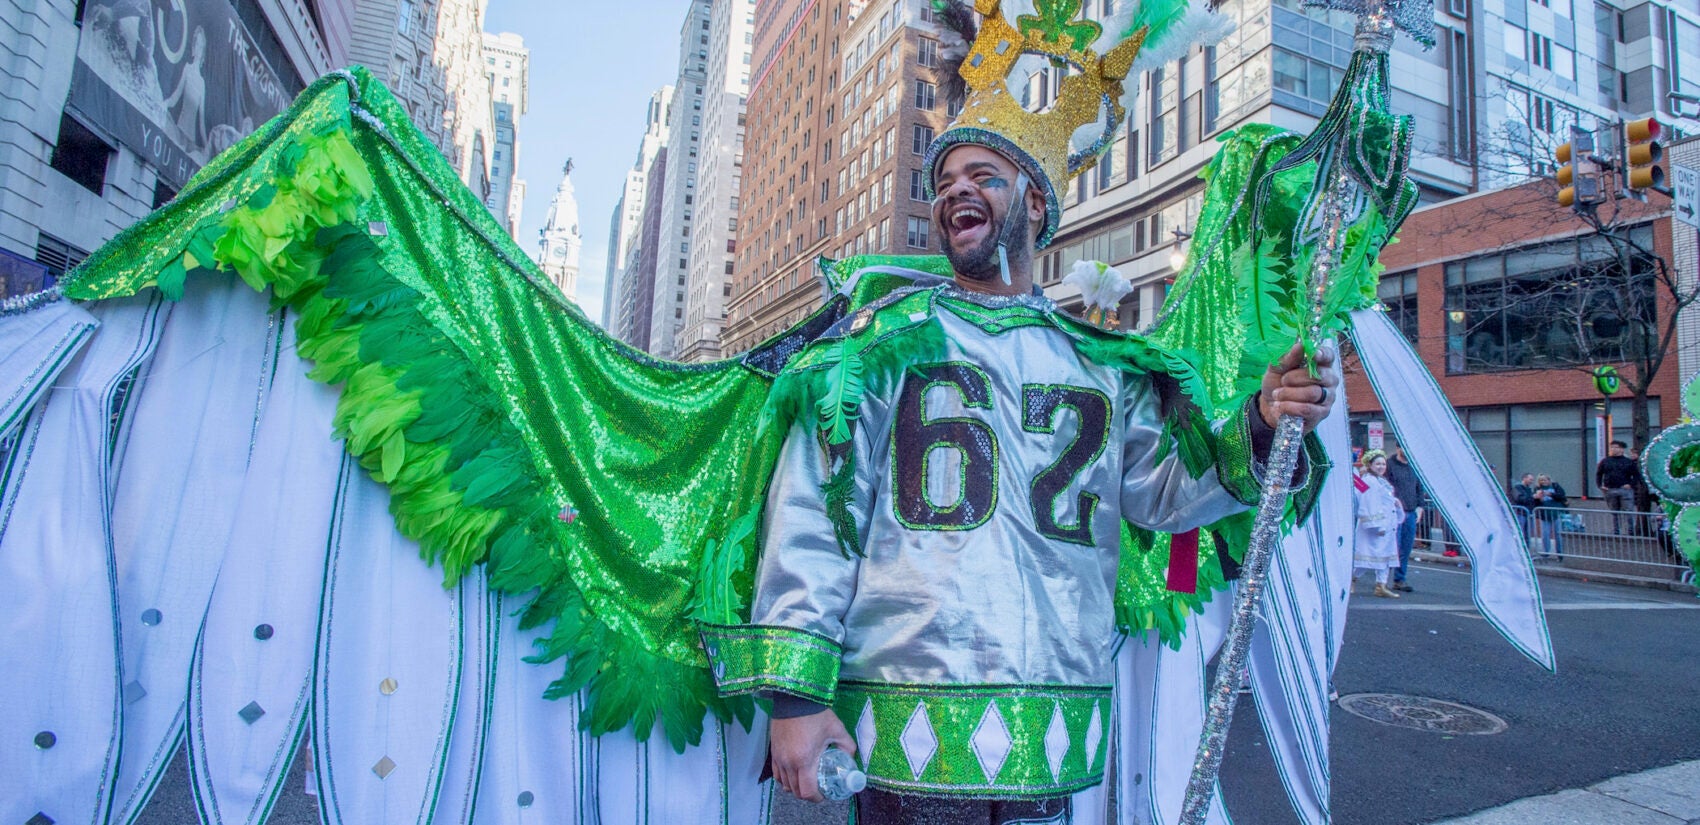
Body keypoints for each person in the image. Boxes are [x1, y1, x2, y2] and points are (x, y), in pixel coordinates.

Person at [699, 16, 1340, 816]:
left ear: (1035, 202)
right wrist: (795, 698)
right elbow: (812, 522)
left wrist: (1263, 423)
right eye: (945, 184)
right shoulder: (877, 347)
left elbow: (1167, 496)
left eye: (983, 176)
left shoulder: (1102, 365)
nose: (956, 191)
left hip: (1052, 739)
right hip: (906, 738)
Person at [1353, 450, 1403, 598]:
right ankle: (1351, 579)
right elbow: (1368, 503)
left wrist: (1395, 502)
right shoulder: (1369, 481)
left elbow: (1384, 500)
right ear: (1370, 465)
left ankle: (1381, 585)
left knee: (1385, 557)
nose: (1381, 466)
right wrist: (1376, 525)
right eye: (1378, 464)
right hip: (1376, 526)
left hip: (1387, 525)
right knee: (1367, 558)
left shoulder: (1381, 481)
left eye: (1383, 463)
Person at [1384, 441, 1426, 587]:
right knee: (1392, 546)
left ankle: (1399, 579)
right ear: (1398, 448)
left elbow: (1419, 487)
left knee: (1406, 548)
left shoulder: (1414, 466)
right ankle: (1382, 580)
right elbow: (1383, 486)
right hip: (1393, 512)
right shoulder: (1389, 465)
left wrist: (1420, 506)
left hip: (1410, 511)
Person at [1596, 440, 1641, 534]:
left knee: (1628, 511)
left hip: (1625, 489)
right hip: (1610, 489)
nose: (1613, 449)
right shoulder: (1605, 461)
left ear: (1621, 449)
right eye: (1612, 447)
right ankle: (1616, 530)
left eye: (1616, 447)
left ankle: (1631, 531)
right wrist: (1600, 486)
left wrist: (1631, 484)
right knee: (1614, 512)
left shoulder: (1628, 462)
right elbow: (1599, 474)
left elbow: (1637, 475)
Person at [1532, 473, 1569, 559]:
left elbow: (1562, 495)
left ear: (1549, 480)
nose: (1543, 482)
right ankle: (1546, 552)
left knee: (1558, 534)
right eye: (1541, 480)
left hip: (1556, 513)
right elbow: (1536, 503)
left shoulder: (1555, 486)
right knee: (1545, 534)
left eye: (1545, 480)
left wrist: (1550, 494)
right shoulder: (1537, 489)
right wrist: (1538, 498)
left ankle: (1560, 554)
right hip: (1544, 514)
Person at [1511, 472, 1538, 548]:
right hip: (1520, 513)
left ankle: (1526, 550)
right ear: (1524, 478)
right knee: (1520, 533)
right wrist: (1533, 497)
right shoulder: (1517, 488)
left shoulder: (1529, 489)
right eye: (1530, 479)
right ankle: (1519, 549)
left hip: (1529, 514)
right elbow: (1519, 499)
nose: (1531, 481)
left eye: (1532, 480)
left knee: (1528, 534)